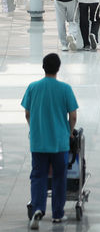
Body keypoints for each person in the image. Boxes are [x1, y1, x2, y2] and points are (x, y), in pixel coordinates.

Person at [22, 53, 79, 228]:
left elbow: (27, 113)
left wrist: (34, 128)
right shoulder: (65, 89)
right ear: (58, 68)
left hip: (38, 142)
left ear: (43, 67)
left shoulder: (33, 87)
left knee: (38, 176)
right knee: (59, 177)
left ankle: (38, 208)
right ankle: (57, 214)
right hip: (59, 142)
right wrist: (69, 132)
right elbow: (73, 115)